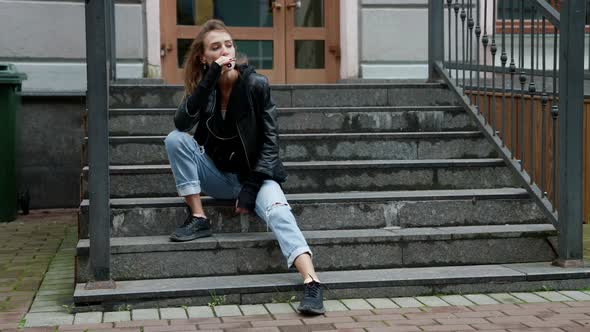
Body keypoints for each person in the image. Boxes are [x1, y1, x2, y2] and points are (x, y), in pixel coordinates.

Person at [164, 19, 324, 315]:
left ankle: (311, 282)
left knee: (278, 212)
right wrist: (209, 79)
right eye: (216, 47)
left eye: (228, 44)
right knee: (175, 140)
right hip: (217, 175)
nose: (225, 50)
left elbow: (269, 146)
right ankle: (198, 217)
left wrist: (250, 189)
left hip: (256, 178)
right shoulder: (205, 89)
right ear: (204, 57)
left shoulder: (256, 84)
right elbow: (182, 123)